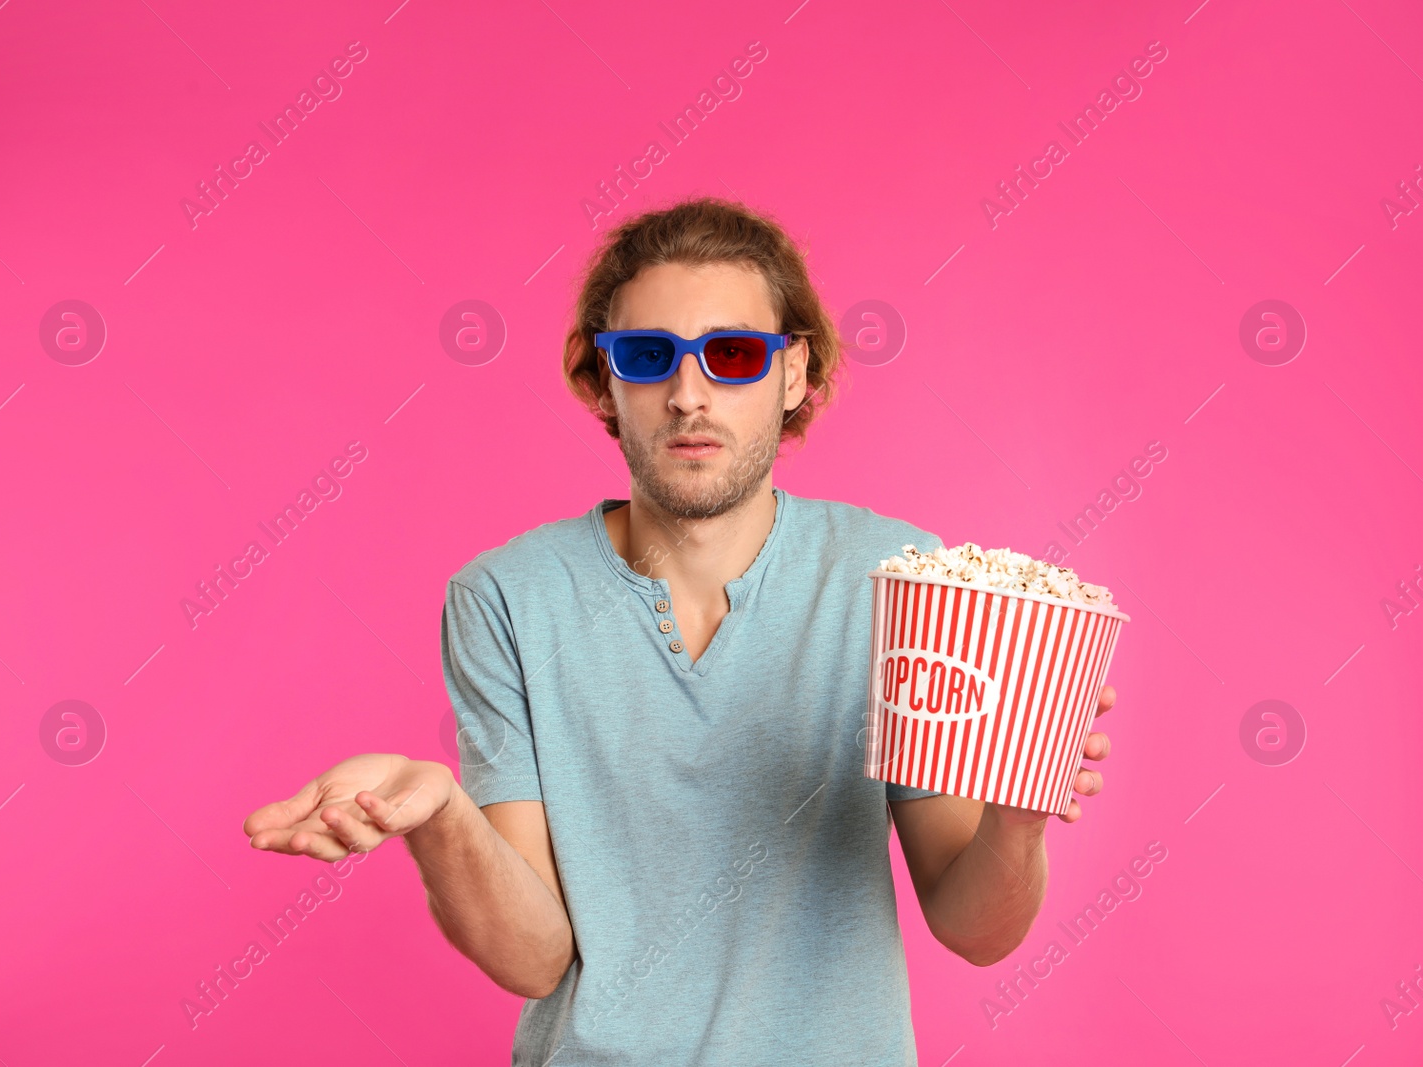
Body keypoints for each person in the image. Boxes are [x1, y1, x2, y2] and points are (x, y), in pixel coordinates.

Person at [243, 196, 1118, 1065]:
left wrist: (1017, 819)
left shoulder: (900, 583)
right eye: (649, 355)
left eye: (733, 354)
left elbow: (975, 931)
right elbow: (534, 955)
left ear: (791, 372)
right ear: (604, 380)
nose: (689, 394)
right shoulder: (505, 598)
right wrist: (438, 812)